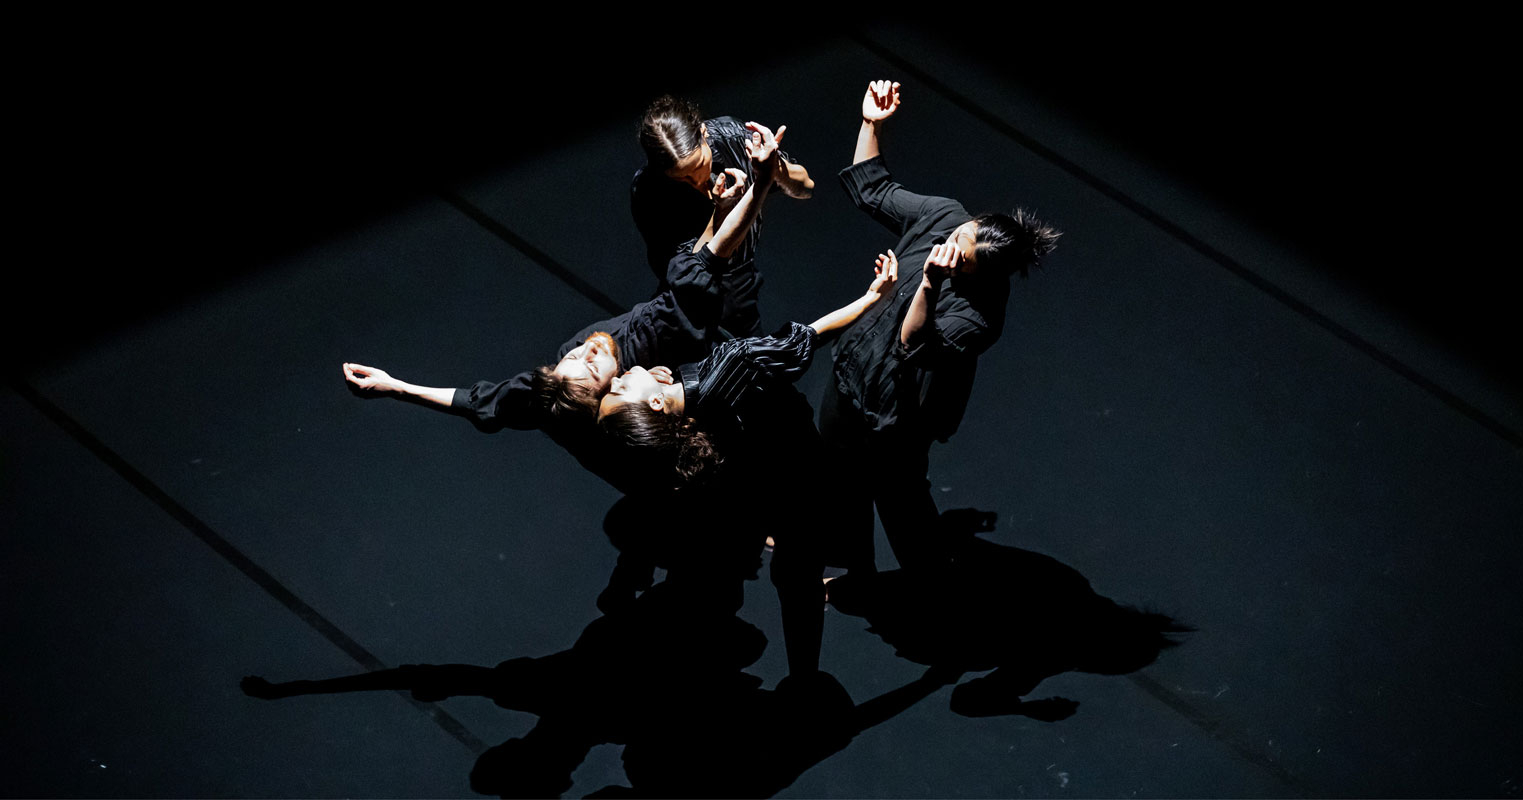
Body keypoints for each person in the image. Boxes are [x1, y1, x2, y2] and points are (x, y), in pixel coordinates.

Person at [339, 121, 791, 493]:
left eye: (571, 358)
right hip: (707, 341)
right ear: (609, 396)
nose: (587, 351)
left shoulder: (556, 392)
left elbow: (482, 402)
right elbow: (710, 260)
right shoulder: (652, 340)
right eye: (593, 368)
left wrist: (395, 386)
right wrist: (751, 191)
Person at [592, 250, 901, 675]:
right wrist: (871, 299)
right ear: (658, 403)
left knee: (795, 580)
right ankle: (812, 673)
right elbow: (807, 337)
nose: (620, 376)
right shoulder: (731, 366)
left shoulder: (684, 437)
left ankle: (805, 677)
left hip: (768, 495)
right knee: (802, 577)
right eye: (622, 389)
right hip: (803, 481)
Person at [821, 80, 1062, 570]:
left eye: (963, 258)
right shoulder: (946, 215)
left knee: (899, 496)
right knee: (836, 468)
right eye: (960, 236)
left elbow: (913, 344)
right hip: (855, 369)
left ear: (982, 274)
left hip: (900, 409)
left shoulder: (980, 314)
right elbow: (874, 190)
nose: (950, 246)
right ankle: (853, 568)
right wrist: (872, 123)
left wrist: (930, 284)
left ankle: (929, 584)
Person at [633, 95, 814, 338]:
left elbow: (806, 187)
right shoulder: (649, 191)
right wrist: (721, 214)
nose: (697, 180)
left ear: (704, 133)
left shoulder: (733, 137)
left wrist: (773, 169)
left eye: (700, 165)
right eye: (683, 178)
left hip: (740, 279)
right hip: (693, 297)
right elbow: (690, 276)